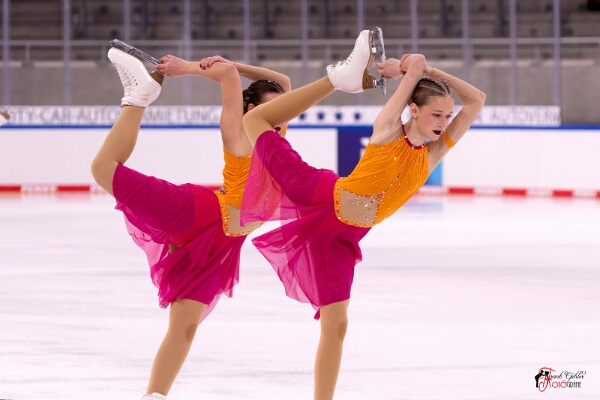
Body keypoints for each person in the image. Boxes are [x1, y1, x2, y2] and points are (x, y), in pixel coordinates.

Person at [239, 29, 486, 400]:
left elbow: (477, 99)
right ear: (414, 110)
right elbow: (411, 79)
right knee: (254, 122)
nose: (443, 121)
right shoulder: (388, 129)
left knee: (336, 326)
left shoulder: (433, 152)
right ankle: (337, 79)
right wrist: (412, 70)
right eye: (436, 114)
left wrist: (430, 71)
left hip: (343, 239)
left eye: (448, 116)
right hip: (323, 196)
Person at [90, 45, 290, 400]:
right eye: (271, 109)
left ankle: (155, 395)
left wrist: (230, 62)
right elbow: (228, 77)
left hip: (221, 245)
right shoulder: (240, 131)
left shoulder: (277, 134)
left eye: (281, 111)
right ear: (250, 110)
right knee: (103, 169)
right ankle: (137, 100)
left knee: (185, 326)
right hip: (200, 213)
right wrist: (189, 67)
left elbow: (283, 81)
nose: (279, 117)